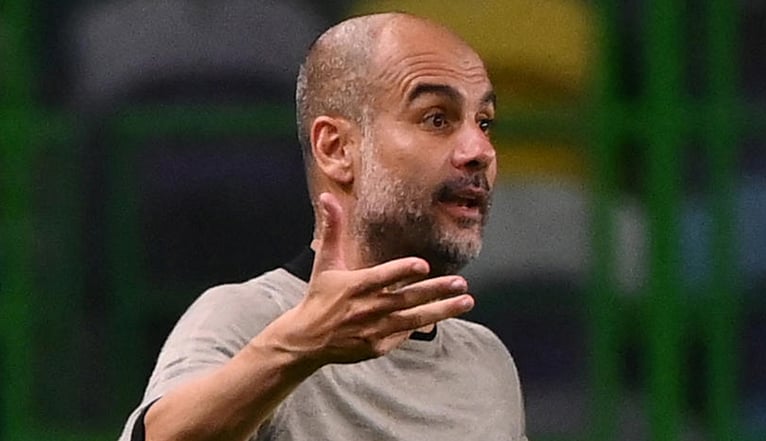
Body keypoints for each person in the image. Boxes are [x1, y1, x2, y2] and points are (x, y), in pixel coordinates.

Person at [118, 11, 528, 441]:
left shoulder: (486, 363)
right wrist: (300, 347)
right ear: (336, 149)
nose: (480, 150)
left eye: (484, 122)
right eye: (436, 119)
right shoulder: (247, 319)